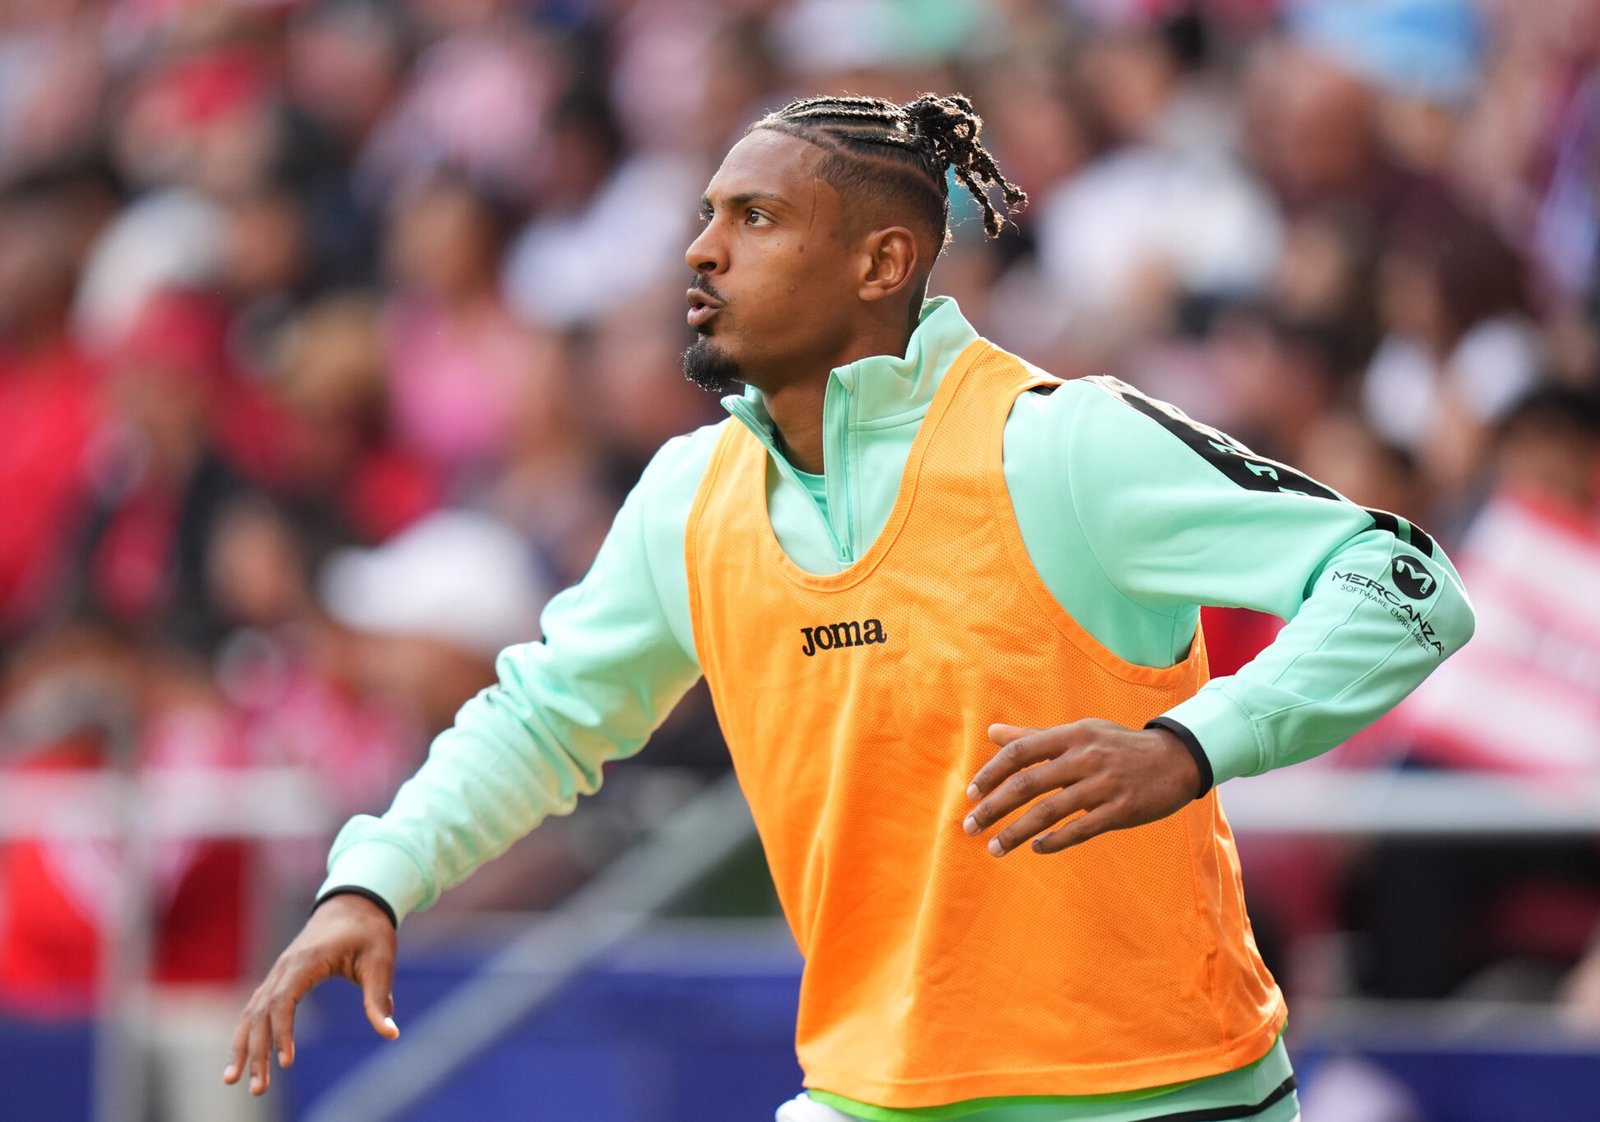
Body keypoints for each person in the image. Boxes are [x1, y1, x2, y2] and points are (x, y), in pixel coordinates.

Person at [225, 93, 1474, 1122]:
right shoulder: (689, 494)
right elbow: (547, 717)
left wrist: (1193, 744)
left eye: (754, 218)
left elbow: (1406, 583)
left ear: (882, 261)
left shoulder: (1064, 443)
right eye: (705, 216)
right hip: (866, 1095)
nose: (699, 251)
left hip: (1162, 1094)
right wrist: (373, 880)